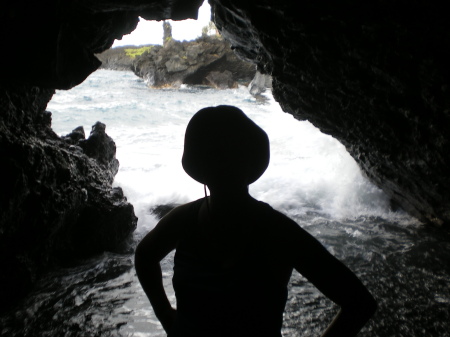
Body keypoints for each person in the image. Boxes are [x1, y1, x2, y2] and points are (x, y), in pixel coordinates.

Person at [135, 105, 376, 337]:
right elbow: (359, 303)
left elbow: (145, 256)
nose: (224, 166)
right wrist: (165, 315)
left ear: (198, 166)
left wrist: (167, 316)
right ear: (252, 164)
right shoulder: (276, 230)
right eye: (219, 157)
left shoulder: (185, 220)